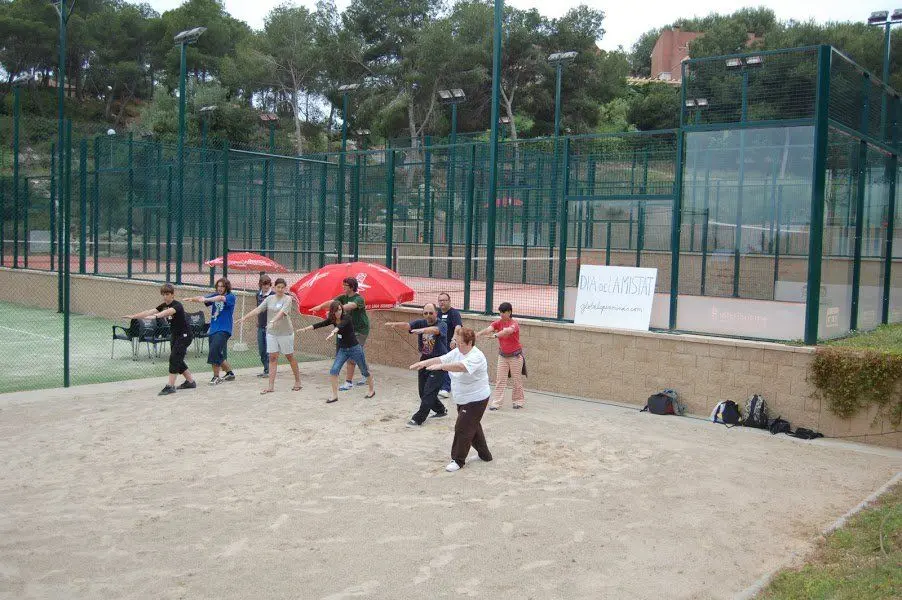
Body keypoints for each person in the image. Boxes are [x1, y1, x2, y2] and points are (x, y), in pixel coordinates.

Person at [410, 327, 493, 472]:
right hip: (462, 398)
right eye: (457, 342)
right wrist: (424, 363)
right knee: (472, 425)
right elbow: (442, 358)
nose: (457, 345)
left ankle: (458, 460)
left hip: (476, 398)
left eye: (460, 343)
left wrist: (441, 367)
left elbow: (460, 367)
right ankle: (485, 455)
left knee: (462, 427)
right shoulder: (457, 351)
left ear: (470, 343)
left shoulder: (476, 356)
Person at [123, 283, 196, 396]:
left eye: (167, 294)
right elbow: (149, 312)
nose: (165, 296)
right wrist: (134, 316)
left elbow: (168, 312)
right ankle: (190, 382)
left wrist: (157, 316)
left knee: (174, 358)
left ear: (173, 295)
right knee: (177, 358)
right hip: (175, 335)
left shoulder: (177, 305)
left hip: (185, 335)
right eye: (163, 294)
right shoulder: (163, 305)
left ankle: (170, 386)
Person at [299, 300, 375, 403]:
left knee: (364, 371)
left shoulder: (347, 317)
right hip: (343, 350)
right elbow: (321, 324)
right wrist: (305, 329)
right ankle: (334, 396)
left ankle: (371, 390)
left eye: (340, 310)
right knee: (334, 370)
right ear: (332, 312)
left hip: (354, 348)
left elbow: (341, 326)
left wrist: (333, 332)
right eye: (336, 311)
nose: (338, 312)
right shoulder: (332, 319)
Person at [386, 303, 449, 426]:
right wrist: (395, 324)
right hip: (424, 359)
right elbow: (408, 325)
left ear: (436, 313)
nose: (428, 315)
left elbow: (435, 330)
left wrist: (422, 330)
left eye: (431, 313)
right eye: (425, 313)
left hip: (439, 362)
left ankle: (418, 418)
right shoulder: (421, 322)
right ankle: (441, 410)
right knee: (422, 392)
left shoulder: (442, 324)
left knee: (429, 392)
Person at [237, 278, 302, 394]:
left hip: (285, 333)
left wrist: (272, 321)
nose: (280, 289)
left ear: (285, 288)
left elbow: (282, 313)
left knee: (289, 356)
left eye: (283, 287)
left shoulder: (288, 299)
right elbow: (258, 309)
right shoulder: (269, 299)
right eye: (278, 287)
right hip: (271, 333)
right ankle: (270, 386)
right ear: (274, 288)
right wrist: (245, 317)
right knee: (272, 358)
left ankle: (298, 381)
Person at [311, 277, 370, 391]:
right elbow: (332, 302)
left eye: (345, 285)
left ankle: (349, 382)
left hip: (360, 330)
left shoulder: (359, 299)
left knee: (352, 357)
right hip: (349, 329)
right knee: (358, 354)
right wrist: (320, 306)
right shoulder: (343, 297)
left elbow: (351, 306)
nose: (343, 287)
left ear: (352, 287)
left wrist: (337, 309)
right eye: (343, 285)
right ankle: (366, 374)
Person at [184, 278, 237, 385]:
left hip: (224, 329)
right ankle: (230, 373)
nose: (220, 288)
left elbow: (220, 298)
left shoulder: (231, 297)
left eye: (222, 286)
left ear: (226, 287)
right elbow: (203, 298)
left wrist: (207, 299)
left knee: (214, 351)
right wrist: (193, 299)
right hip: (213, 329)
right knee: (216, 353)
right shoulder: (214, 295)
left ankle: (216, 377)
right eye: (218, 286)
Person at [477, 301, 525, 410]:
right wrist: (479, 334)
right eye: (500, 312)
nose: (502, 314)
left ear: (509, 312)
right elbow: (490, 328)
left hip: (515, 356)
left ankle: (518, 401)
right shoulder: (498, 322)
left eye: (504, 312)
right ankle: (496, 403)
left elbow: (507, 332)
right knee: (500, 380)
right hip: (503, 356)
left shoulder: (514, 324)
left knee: (516, 379)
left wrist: (495, 336)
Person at [436, 292, 463, 399]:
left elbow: (458, 327)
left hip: (450, 345)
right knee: (439, 365)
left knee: (448, 365)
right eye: (440, 300)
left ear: (449, 301)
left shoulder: (454, 313)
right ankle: (438, 386)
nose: (442, 302)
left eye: (444, 300)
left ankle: (446, 389)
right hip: (438, 344)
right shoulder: (437, 313)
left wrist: (454, 339)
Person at [255, 274, 274, 378]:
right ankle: (266, 369)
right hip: (260, 326)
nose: (266, 287)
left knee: (269, 350)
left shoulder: (273, 295)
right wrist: (258, 320)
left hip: (270, 327)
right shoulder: (258, 295)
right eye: (264, 284)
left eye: (268, 284)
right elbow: (258, 308)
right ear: (260, 285)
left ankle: (269, 370)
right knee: (262, 350)